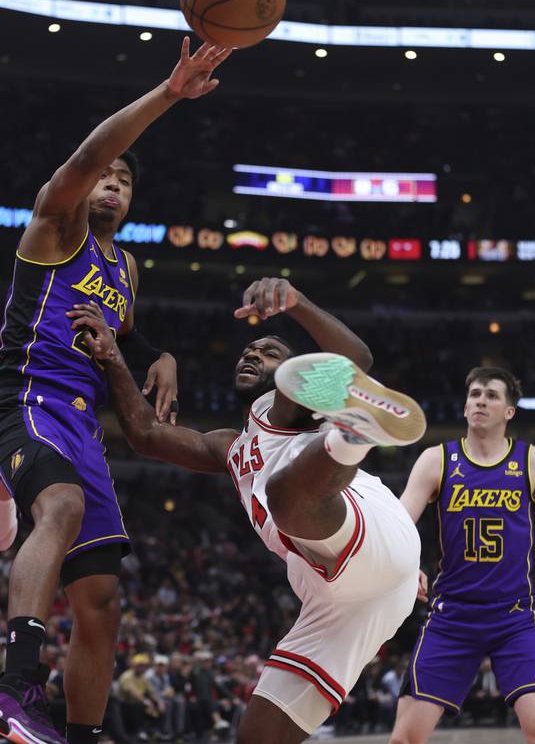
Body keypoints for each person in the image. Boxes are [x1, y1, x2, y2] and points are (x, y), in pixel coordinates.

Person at [68, 277, 426, 744]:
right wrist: (114, 358)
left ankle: (352, 433)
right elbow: (145, 435)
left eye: (270, 351)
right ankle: (350, 436)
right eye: (249, 351)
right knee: (257, 735)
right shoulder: (228, 446)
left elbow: (356, 362)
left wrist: (296, 303)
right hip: (344, 594)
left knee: (283, 499)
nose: (252, 355)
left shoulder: (281, 405)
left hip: (362, 524)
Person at [0, 37, 231, 744]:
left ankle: (84, 733)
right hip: (26, 396)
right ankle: (14, 692)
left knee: (101, 598)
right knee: (60, 505)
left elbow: (121, 331)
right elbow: (83, 160)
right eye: (108, 175)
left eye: (125, 182)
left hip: (83, 424)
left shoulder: (125, 266)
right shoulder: (55, 223)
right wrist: (170, 93)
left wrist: (158, 354)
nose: (113, 184)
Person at [390, 366, 535, 744]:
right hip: (451, 617)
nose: (480, 401)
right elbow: (399, 527)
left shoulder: (534, 461)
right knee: (403, 739)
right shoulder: (436, 460)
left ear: (509, 412)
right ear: (466, 405)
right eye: (474, 394)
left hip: (515, 617)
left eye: (491, 395)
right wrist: (407, 568)